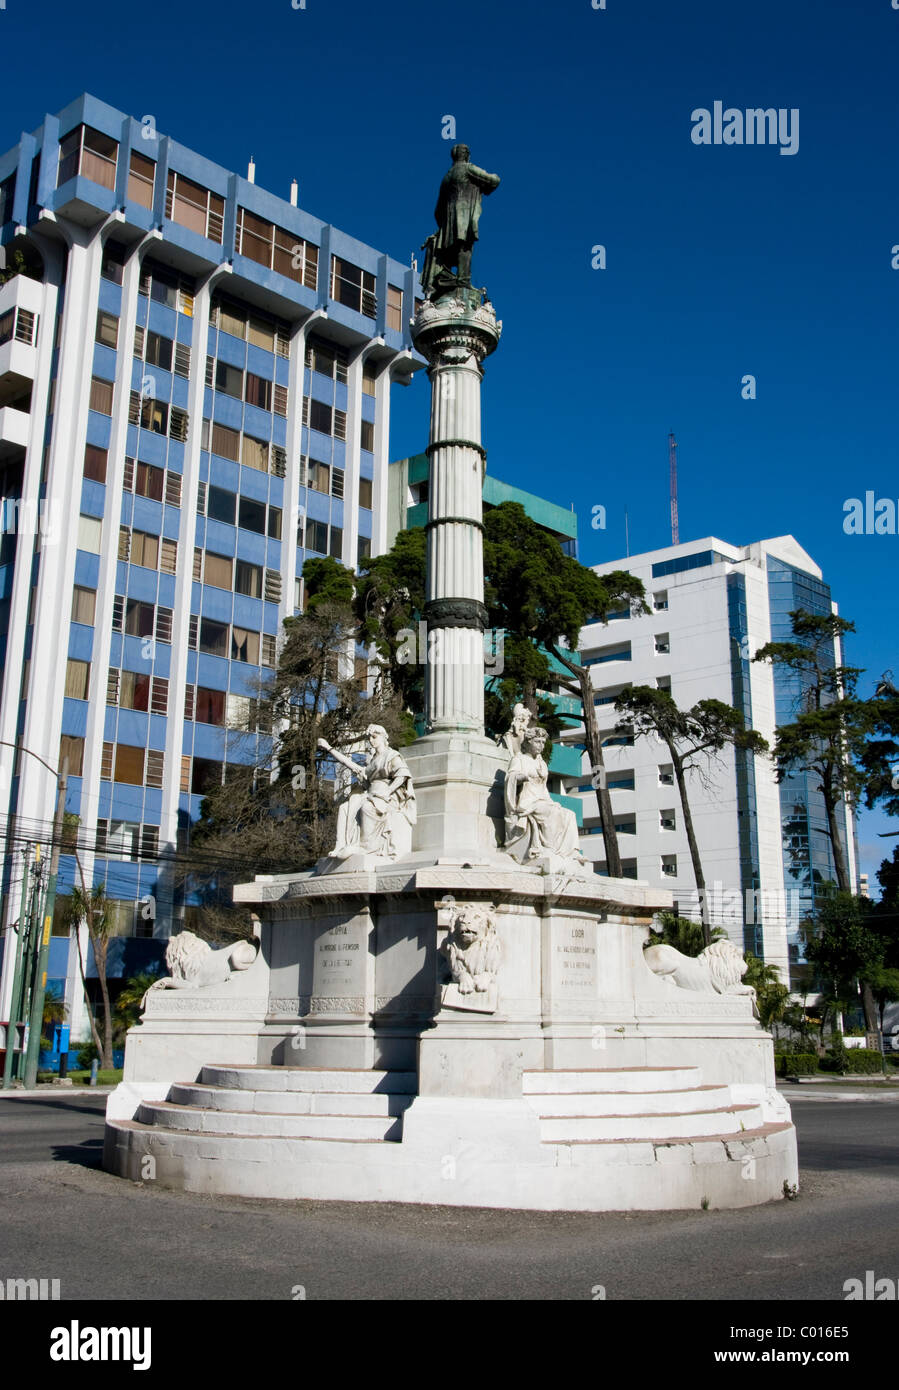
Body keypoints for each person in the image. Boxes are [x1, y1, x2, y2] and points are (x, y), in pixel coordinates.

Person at [317, 725, 416, 860]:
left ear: (383, 737)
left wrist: (388, 791)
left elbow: (402, 775)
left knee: (367, 808)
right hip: (370, 794)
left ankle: (366, 847)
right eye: (369, 737)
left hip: (385, 797)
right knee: (344, 808)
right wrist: (329, 748)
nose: (371, 740)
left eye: (374, 737)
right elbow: (352, 766)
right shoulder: (372, 760)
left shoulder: (391, 755)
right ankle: (340, 845)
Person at [421, 144, 500, 293]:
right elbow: (493, 181)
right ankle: (463, 281)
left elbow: (437, 210)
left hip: (447, 222)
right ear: (467, 155)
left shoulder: (447, 177)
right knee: (465, 247)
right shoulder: (468, 168)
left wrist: (444, 223)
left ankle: (449, 282)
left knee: (450, 252)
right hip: (463, 218)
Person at [504, 726, 584, 865]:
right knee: (552, 813)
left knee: (569, 814)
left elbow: (543, 787)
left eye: (542, 742)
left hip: (543, 798)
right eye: (537, 742)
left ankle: (572, 852)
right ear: (528, 742)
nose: (540, 746)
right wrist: (520, 777)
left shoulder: (542, 764)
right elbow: (510, 777)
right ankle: (549, 848)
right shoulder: (520, 759)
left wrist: (551, 801)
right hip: (528, 800)